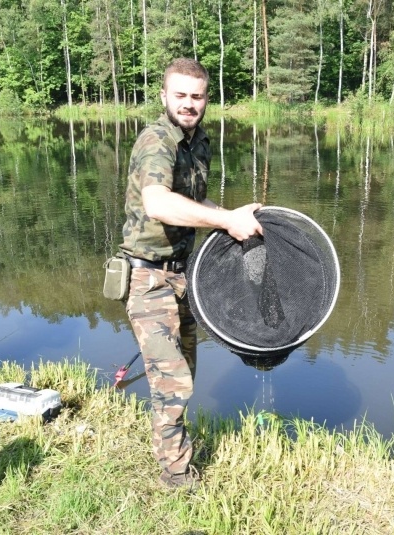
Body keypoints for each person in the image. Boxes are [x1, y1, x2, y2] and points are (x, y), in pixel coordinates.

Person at [119, 58, 262, 489]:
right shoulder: (156, 140)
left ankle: (175, 448)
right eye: (179, 95)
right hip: (148, 279)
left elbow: (194, 203)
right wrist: (224, 224)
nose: (188, 103)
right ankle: (177, 477)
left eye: (196, 96)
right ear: (164, 96)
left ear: (205, 99)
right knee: (173, 382)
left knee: (184, 376)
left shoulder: (198, 142)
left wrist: (231, 215)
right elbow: (159, 203)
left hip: (185, 278)